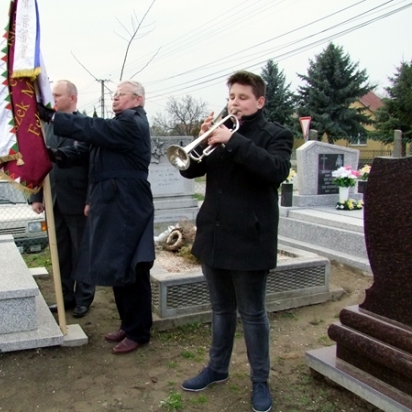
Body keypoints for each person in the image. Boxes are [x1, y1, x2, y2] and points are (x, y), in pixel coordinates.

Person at [179, 71, 294, 412]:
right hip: (214, 236)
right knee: (220, 310)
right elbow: (190, 170)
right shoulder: (221, 132)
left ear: (260, 101)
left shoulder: (276, 134)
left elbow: (275, 170)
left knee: (253, 314)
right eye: (231, 97)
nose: (234, 103)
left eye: (242, 97)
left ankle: (260, 381)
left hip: (250, 240)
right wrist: (201, 141)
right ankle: (217, 368)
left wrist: (232, 140)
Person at [38, 80, 155, 355]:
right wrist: (55, 155)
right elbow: (84, 150)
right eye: (114, 94)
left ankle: (139, 331)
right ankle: (128, 324)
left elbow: (92, 128)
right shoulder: (116, 126)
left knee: (134, 268)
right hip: (114, 201)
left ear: (137, 100)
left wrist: (53, 117)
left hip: (128, 201)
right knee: (118, 266)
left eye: (121, 94)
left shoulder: (132, 123)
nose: (115, 98)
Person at [29, 80, 95, 318]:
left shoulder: (85, 126)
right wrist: (36, 195)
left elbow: (93, 167)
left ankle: (83, 298)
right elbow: (39, 162)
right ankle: (65, 295)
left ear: (72, 98)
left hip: (78, 200)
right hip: (53, 199)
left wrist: (91, 199)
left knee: (82, 252)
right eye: (52, 95)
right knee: (61, 253)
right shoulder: (46, 126)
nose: (52, 99)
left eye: (57, 95)